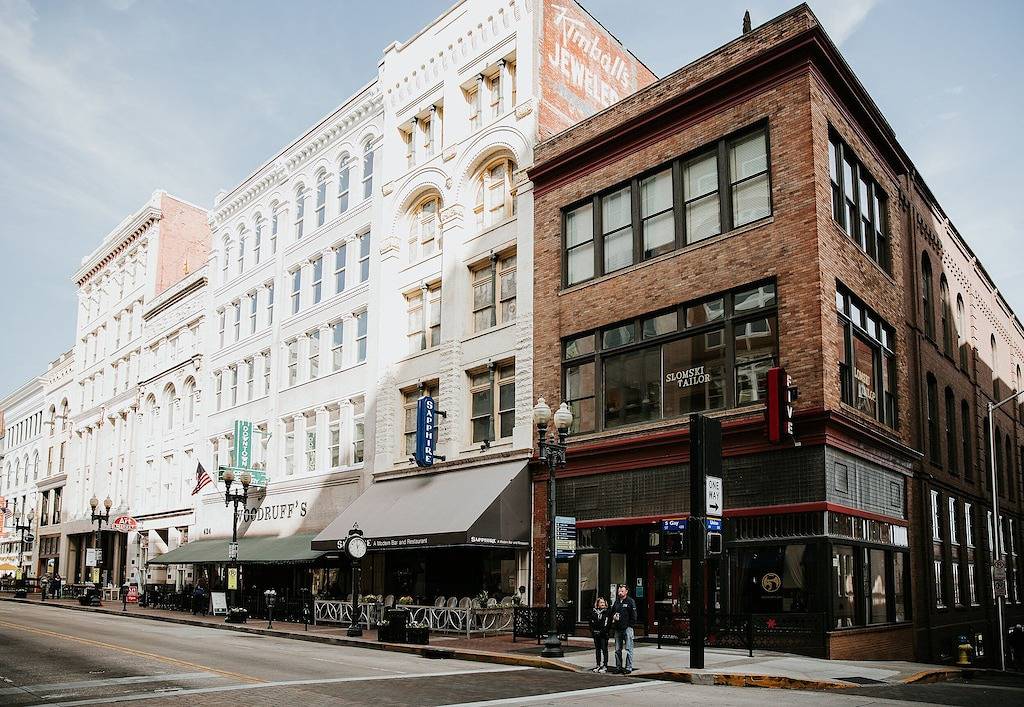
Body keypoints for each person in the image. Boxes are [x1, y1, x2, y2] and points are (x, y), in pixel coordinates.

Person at [609, 584, 637, 674]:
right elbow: (612, 612)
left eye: (622, 591)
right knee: (617, 649)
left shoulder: (630, 601)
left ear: (626, 592)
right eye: (619, 591)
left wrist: (630, 625)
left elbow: (634, 615)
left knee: (629, 649)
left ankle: (628, 667)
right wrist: (613, 618)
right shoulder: (616, 602)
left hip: (627, 628)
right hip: (618, 628)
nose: (620, 593)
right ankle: (618, 667)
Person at [589, 597, 611, 672]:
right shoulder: (594, 612)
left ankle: (605, 665)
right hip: (596, 634)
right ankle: (598, 665)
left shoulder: (607, 612)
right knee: (597, 650)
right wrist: (593, 632)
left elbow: (607, 624)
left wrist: (602, 632)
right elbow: (591, 623)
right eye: (601, 603)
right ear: (597, 604)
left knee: (604, 650)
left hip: (603, 634)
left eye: (603, 603)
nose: (602, 604)